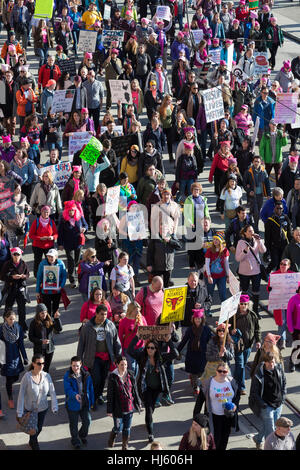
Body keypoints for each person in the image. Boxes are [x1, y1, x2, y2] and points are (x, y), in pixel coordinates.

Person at [127, 332, 179, 443]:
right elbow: (129, 350)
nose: (150, 350)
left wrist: (168, 340)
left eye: (153, 348)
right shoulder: (142, 356)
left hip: (157, 388)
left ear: (156, 349)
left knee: (152, 408)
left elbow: (175, 353)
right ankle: (150, 434)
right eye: (148, 347)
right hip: (146, 388)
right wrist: (137, 336)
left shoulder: (160, 358)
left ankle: (148, 421)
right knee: (149, 409)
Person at [77, 304, 122, 409]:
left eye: (105, 314)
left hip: (107, 357)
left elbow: (116, 342)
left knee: (103, 378)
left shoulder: (110, 325)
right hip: (93, 357)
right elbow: (81, 344)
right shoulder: (87, 326)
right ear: (96, 314)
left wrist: (118, 357)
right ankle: (95, 398)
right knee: (96, 379)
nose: (104, 316)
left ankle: (99, 395)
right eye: (101, 314)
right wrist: (79, 359)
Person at [193, 361, 240, 450]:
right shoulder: (208, 383)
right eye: (220, 371)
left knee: (225, 438)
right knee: (215, 440)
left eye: (224, 371)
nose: (222, 373)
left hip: (228, 416)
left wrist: (235, 406)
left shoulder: (232, 382)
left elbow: (237, 396)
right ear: (216, 371)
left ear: (228, 372)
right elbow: (199, 401)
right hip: (214, 416)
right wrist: (196, 418)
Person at [16, 353, 58, 450]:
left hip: (43, 409)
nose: (42, 365)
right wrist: (19, 412)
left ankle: (31, 441)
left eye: (43, 363)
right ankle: (34, 445)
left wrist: (54, 406)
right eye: (39, 363)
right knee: (33, 430)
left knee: (39, 429)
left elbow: (52, 391)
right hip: (30, 410)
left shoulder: (47, 376)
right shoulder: (27, 377)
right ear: (33, 364)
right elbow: (21, 394)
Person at [249, 352, 286, 450]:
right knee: (271, 431)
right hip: (266, 405)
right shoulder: (259, 373)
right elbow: (254, 392)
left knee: (270, 426)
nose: (272, 365)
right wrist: (263, 404)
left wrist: (283, 398)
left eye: (273, 362)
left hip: (278, 404)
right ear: (264, 362)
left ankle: (257, 439)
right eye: (269, 363)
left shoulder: (279, 368)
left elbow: (284, 383)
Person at [107, 355, 142, 450]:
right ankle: (112, 437)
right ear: (117, 365)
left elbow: (135, 390)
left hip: (129, 407)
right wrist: (109, 410)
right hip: (118, 409)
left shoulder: (130, 374)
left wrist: (138, 402)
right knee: (118, 428)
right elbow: (110, 395)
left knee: (127, 428)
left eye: (125, 364)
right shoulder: (113, 377)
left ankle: (125, 445)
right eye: (122, 364)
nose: (124, 367)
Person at [230, 294, 261, 394]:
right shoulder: (234, 315)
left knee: (242, 364)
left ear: (248, 305)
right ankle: (241, 387)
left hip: (248, 345)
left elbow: (257, 329)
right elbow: (227, 327)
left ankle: (234, 381)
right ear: (238, 304)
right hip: (237, 345)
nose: (243, 306)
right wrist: (231, 331)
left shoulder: (253, 315)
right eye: (241, 304)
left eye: (245, 304)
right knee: (240, 365)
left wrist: (258, 341)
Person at [177, 309, 213, 396]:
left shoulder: (206, 329)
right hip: (192, 354)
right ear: (193, 319)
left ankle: (199, 385)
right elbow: (184, 341)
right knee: (193, 372)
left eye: (199, 318)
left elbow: (211, 341)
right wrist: (177, 351)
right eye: (196, 318)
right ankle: (195, 387)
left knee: (201, 372)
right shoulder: (190, 329)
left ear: (202, 319)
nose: (198, 320)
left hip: (202, 355)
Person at [63, 356, 94, 450]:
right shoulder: (67, 376)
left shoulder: (87, 375)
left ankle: (82, 435)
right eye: (73, 366)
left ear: (81, 365)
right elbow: (67, 389)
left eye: (77, 366)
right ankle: (75, 440)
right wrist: (74, 395)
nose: (75, 368)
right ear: (71, 365)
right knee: (74, 424)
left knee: (87, 421)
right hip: (72, 404)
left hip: (84, 403)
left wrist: (92, 402)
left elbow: (90, 389)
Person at [235, 225, 267, 316]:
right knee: (244, 292)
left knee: (256, 292)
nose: (252, 232)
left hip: (256, 271)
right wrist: (245, 251)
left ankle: (255, 311)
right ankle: (243, 311)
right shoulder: (241, 242)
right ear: (245, 233)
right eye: (249, 231)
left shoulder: (257, 240)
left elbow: (263, 251)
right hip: (244, 272)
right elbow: (237, 258)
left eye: (252, 230)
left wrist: (260, 241)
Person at [0, 309, 28, 409]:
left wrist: (25, 357)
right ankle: (10, 398)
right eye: (10, 319)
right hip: (6, 356)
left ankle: (9, 386)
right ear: (5, 318)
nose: (12, 321)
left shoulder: (18, 328)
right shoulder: (1, 329)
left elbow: (21, 343)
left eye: (14, 319)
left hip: (16, 355)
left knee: (16, 376)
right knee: (8, 378)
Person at [58, 200, 88, 288]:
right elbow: (60, 233)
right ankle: (73, 280)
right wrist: (60, 244)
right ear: (66, 211)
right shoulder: (63, 220)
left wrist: (84, 229)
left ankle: (77, 275)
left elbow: (86, 225)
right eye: (69, 210)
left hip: (78, 243)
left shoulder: (79, 217)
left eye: (72, 210)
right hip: (68, 243)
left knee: (77, 261)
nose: (71, 212)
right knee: (70, 261)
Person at [0, 247, 29, 334]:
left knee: (22, 309)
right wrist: (11, 277)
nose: (16, 256)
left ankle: (22, 328)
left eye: (18, 254)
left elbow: (28, 274)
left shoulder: (24, 264)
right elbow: (2, 276)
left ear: (21, 255)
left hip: (20, 288)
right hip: (10, 288)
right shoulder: (7, 264)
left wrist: (23, 276)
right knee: (8, 309)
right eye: (14, 254)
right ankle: (7, 326)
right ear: (11, 255)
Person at [267, 258, 293, 350]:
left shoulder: (293, 276)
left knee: (290, 322)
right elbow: (268, 287)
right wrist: (269, 288)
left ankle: (288, 338)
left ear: (289, 266)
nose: (282, 265)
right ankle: (282, 341)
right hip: (279, 303)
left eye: (285, 264)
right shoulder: (274, 275)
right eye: (281, 264)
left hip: (290, 303)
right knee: (282, 322)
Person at [28, 303, 62, 373]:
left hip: (49, 349)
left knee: (46, 369)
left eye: (46, 312)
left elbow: (59, 329)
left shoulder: (50, 320)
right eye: (42, 313)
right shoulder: (33, 323)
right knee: (38, 367)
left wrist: (57, 319)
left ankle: (44, 381)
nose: (44, 315)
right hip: (38, 349)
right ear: (38, 314)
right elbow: (31, 337)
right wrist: (41, 341)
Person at [36, 248, 67, 318]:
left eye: (52, 256)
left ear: (56, 256)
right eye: (49, 256)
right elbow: (39, 277)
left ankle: (55, 323)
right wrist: (37, 291)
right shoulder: (42, 264)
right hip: (46, 291)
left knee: (56, 309)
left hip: (57, 290)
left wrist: (61, 286)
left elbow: (64, 276)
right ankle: (49, 324)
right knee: (47, 309)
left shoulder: (61, 263)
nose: (50, 258)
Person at [28, 205, 59, 278]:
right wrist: (40, 238)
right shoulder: (36, 221)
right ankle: (37, 276)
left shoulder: (51, 222)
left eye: (47, 212)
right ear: (41, 212)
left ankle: (49, 277)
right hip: (37, 246)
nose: (46, 214)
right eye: (44, 212)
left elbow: (56, 234)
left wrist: (52, 237)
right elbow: (31, 235)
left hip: (49, 246)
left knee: (49, 262)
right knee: (37, 262)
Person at [243, 155, 271, 233]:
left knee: (256, 211)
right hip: (252, 195)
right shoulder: (249, 171)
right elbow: (244, 183)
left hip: (260, 195)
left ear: (260, 162)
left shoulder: (263, 171)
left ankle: (249, 221)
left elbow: (267, 183)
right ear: (253, 162)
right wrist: (249, 191)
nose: (256, 163)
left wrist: (268, 194)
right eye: (255, 161)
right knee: (256, 212)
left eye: (258, 161)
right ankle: (256, 227)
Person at [118, 301, 147, 376]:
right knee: (132, 369)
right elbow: (120, 338)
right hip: (129, 349)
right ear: (131, 310)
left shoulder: (142, 318)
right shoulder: (123, 321)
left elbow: (147, 332)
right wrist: (121, 353)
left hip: (140, 348)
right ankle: (132, 386)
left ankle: (137, 385)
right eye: (136, 311)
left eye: (139, 311)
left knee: (140, 369)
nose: (138, 313)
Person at [204, 233, 229, 315]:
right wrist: (209, 276)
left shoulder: (225, 251)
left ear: (221, 241)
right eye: (214, 239)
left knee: (223, 293)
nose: (215, 241)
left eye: (217, 239)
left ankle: (225, 310)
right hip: (211, 276)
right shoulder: (209, 250)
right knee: (209, 293)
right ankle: (207, 309)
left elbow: (226, 264)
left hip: (222, 276)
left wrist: (228, 275)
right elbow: (207, 264)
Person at [264, 201, 293, 273]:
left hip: (284, 244)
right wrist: (267, 249)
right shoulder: (270, 220)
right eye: (277, 208)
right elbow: (267, 236)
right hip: (274, 245)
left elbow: (289, 233)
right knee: (274, 263)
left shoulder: (286, 218)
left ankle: (277, 278)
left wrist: (292, 243)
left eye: (281, 208)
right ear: (274, 209)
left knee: (281, 263)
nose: (279, 210)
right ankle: (265, 273)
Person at [259, 120, 288, 185]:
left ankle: (278, 193)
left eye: (275, 124)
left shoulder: (280, 133)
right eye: (272, 124)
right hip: (267, 160)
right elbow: (261, 148)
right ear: (269, 125)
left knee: (278, 178)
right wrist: (262, 159)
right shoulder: (265, 134)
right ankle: (265, 192)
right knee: (265, 177)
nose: (274, 125)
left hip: (278, 160)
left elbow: (284, 144)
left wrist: (284, 137)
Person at [286, 282, 300, 372]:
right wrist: (290, 328)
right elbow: (289, 315)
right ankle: (292, 362)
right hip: (297, 328)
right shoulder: (293, 299)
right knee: (297, 346)